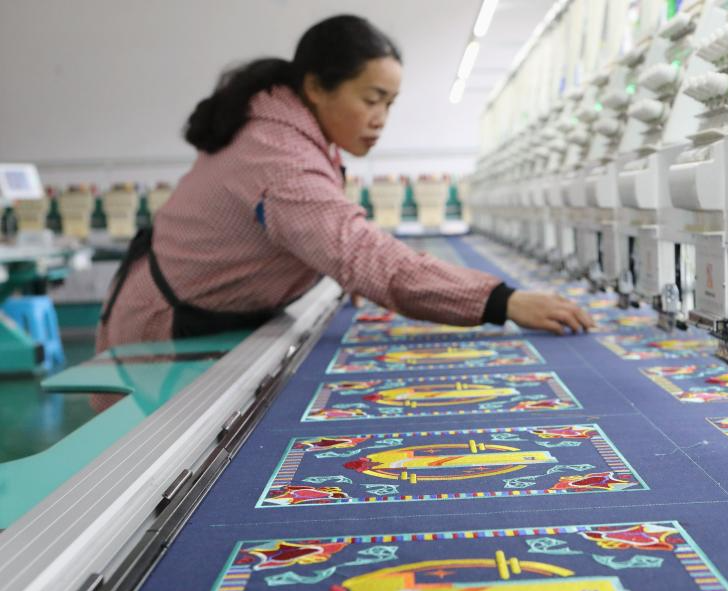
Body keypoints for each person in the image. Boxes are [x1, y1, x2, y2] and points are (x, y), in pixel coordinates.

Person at [97, 15, 593, 353]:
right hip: (162, 336)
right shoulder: (278, 155)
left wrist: (331, 268)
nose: (380, 119)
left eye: (390, 104)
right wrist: (503, 302)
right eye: (371, 99)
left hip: (202, 316)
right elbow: (358, 251)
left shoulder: (294, 132)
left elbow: (319, 233)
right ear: (316, 86)